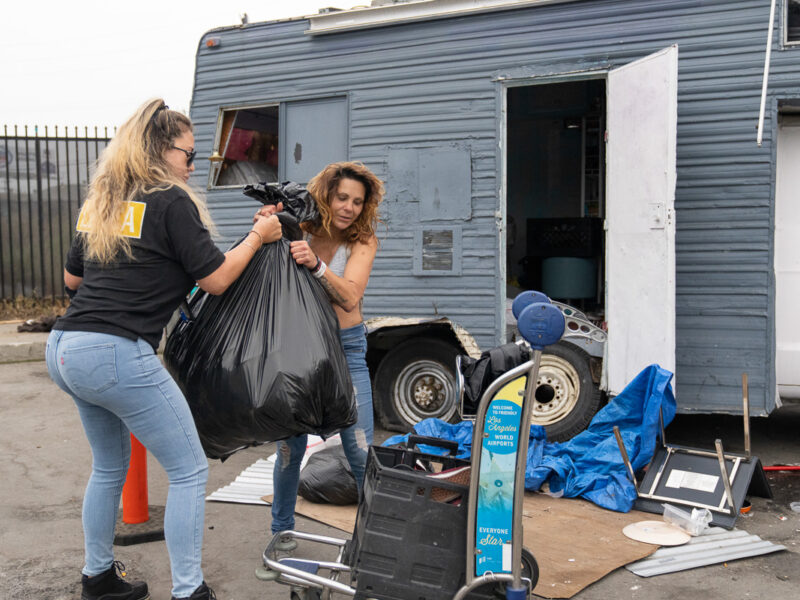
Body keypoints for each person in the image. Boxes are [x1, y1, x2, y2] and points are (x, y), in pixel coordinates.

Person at [45, 98, 282, 600]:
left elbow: (72, 278)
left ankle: (99, 578)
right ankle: (189, 591)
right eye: (188, 154)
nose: (193, 166)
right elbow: (216, 278)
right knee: (190, 469)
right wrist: (259, 235)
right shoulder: (171, 200)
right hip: (113, 352)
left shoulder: (103, 200)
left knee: (109, 466)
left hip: (65, 347)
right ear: (158, 149)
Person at [258, 161, 383, 550]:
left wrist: (315, 264)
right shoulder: (301, 229)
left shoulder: (362, 241)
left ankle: (375, 542)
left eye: (358, 202)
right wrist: (264, 220)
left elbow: (349, 295)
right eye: (342, 197)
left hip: (345, 350)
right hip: (299, 351)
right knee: (288, 449)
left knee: (359, 450)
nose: (349, 207)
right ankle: (281, 534)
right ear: (326, 196)